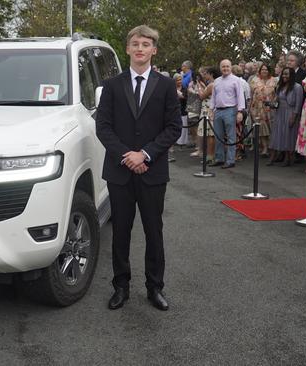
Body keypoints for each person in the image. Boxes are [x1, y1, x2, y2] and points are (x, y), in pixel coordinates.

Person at [96, 24, 181, 311]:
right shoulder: (111, 85)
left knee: (153, 231)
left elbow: (173, 128)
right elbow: (103, 128)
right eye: (136, 43)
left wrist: (144, 155)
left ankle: (154, 287)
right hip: (119, 172)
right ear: (128, 49)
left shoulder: (167, 86)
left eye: (146, 44)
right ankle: (121, 287)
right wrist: (128, 156)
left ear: (154, 50)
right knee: (120, 231)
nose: (140, 48)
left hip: (153, 171)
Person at [209, 59, 246, 169]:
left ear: (230, 67)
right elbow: (213, 96)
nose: (225, 68)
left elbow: (240, 96)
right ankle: (219, 158)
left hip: (230, 110)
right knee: (218, 136)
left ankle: (230, 160)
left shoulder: (236, 80)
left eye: (227, 66)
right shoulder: (217, 81)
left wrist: (240, 111)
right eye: (223, 67)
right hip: (218, 111)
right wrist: (211, 109)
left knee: (231, 137)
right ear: (220, 68)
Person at [268, 67, 303, 166]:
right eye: (283, 74)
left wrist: (294, 116)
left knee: (288, 135)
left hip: (290, 113)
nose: (284, 76)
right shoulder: (280, 86)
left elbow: (298, 104)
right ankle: (273, 157)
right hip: (280, 112)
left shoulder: (297, 87)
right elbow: (277, 102)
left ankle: (288, 158)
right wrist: (270, 104)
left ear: (291, 75)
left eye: (286, 74)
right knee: (277, 134)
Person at [249, 63, 276, 159]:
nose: (264, 71)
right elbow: (251, 94)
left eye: (266, 69)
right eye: (262, 69)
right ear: (260, 71)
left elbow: (276, 94)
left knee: (271, 128)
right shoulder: (254, 80)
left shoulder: (274, 80)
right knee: (261, 128)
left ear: (269, 71)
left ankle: (271, 148)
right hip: (258, 108)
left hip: (270, 108)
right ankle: (264, 148)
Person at [195, 66, 218, 162]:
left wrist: (199, 86)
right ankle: (210, 155)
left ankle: (210, 155)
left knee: (209, 134)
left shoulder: (212, 85)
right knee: (209, 134)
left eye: (207, 73)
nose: (205, 75)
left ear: (211, 74)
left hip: (208, 110)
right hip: (210, 109)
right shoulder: (216, 83)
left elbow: (202, 96)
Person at [174, 73, 189, 146]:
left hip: (183, 110)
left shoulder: (184, 88)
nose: (179, 81)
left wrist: (180, 95)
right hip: (174, 110)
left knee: (184, 126)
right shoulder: (172, 88)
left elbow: (186, 98)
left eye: (180, 80)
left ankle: (182, 141)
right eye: (178, 80)